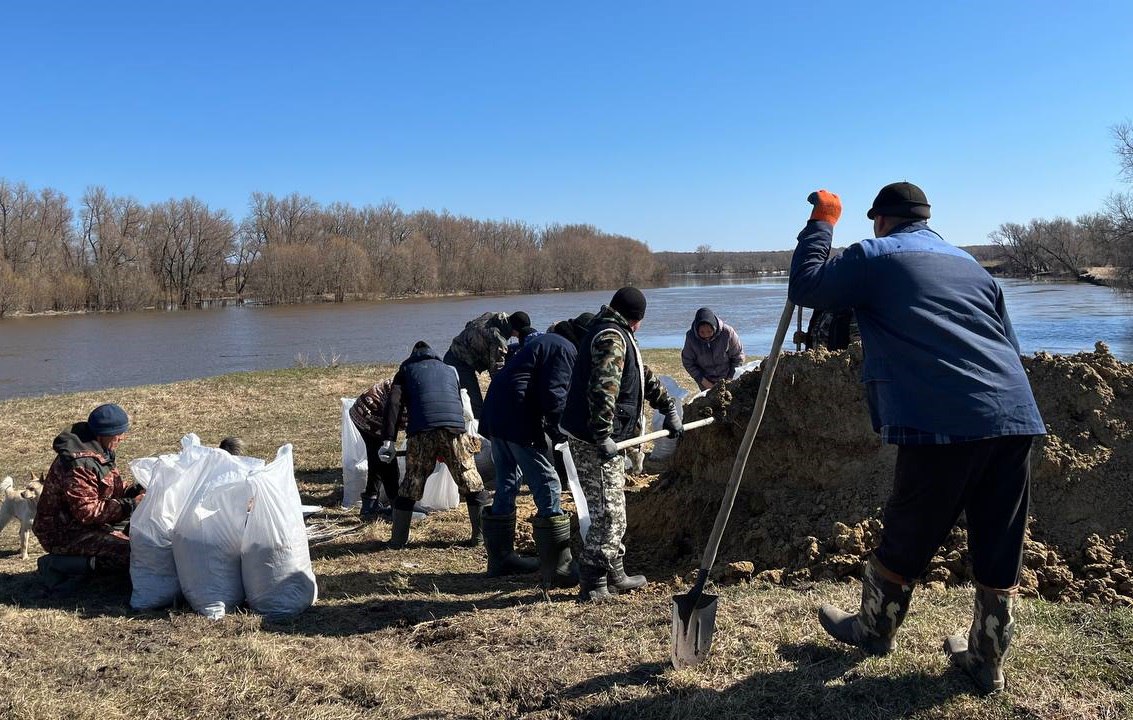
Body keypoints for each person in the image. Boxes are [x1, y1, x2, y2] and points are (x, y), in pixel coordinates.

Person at [788, 183, 1045, 694]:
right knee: (998, 538)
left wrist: (822, 224)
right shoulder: (971, 265)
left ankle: (873, 629)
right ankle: (986, 660)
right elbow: (1008, 344)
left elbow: (808, 287)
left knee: (909, 530)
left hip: (942, 414)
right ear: (926, 220)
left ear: (880, 220)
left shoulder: (874, 255)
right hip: (1014, 414)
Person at [560, 287, 683, 602]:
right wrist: (602, 434)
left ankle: (615, 572)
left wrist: (668, 407)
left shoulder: (616, 333)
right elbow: (604, 389)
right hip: (594, 441)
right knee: (609, 514)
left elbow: (641, 375)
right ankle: (594, 583)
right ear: (637, 319)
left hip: (603, 437)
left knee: (613, 507)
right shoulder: (612, 338)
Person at [478, 312, 594, 587]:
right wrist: (560, 433)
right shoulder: (565, 349)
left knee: (507, 481)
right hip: (518, 419)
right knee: (549, 483)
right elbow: (555, 395)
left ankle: (501, 559)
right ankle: (559, 567)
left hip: (497, 416)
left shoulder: (546, 341)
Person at [381, 341, 491, 548]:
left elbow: (394, 403)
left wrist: (388, 440)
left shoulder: (406, 370)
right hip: (454, 430)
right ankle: (480, 538)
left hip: (422, 432)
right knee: (471, 479)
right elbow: (459, 401)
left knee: (411, 483)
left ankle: (397, 541)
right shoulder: (450, 370)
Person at [33, 403, 143, 591]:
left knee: (143, 537)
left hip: (85, 524)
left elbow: (107, 489)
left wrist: (134, 492)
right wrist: (131, 504)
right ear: (104, 434)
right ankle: (57, 564)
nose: (122, 438)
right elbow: (87, 511)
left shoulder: (100, 451)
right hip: (63, 532)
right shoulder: (80, 464)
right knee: (132, 553)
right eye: (119, 433)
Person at [443, 311, 522, 418]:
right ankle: (480, 431)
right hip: (459, 362)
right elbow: (496, 372)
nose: (518, 337)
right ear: (515, 330)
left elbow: (469, 325)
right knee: (476, 404)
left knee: (465, 400)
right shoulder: (498, 339)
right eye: (519, 334)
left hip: (453, 351)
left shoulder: (492, 315)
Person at [348, 378, 402, 521]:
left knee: (377, 459)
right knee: (387, 461)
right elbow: (392, 416)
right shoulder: (416, 395)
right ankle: (396, 507)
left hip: (377, 410)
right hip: (370, 413)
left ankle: (370, 504)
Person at [680, 307, 745, 390]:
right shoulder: (691, 337)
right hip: (706, 382)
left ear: (714, 328)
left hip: (728, 378)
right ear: (697, 330)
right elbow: (688, 362)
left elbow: (738, 357)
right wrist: (704, 381)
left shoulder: (728, 332)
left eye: (709, 331)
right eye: (702, 332)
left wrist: (730, 380)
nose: (706, 335)